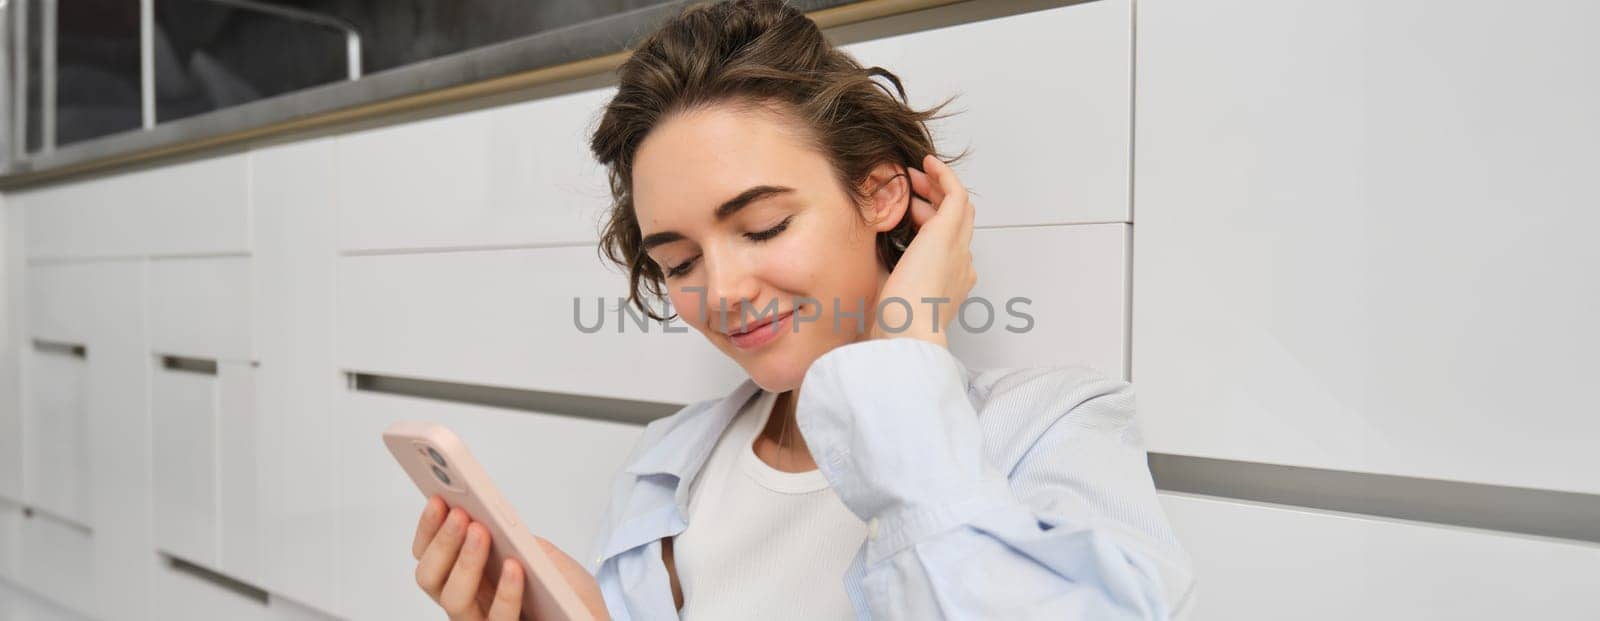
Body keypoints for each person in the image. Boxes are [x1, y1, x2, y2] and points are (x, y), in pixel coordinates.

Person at [408, 1, 1195, 619]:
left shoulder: (1052, 428)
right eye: (679, 261)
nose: (720, 291)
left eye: (763, 227)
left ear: (882, 192)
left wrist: (906, 343)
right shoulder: (664, 470)